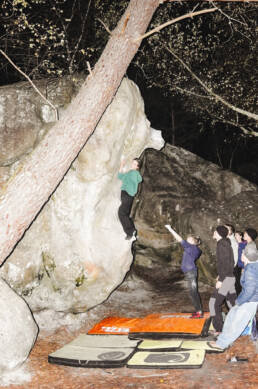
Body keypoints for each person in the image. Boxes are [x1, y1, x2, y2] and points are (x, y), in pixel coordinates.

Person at [208, 245, 258, 351]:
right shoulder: (252, 266)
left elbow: (250, 291)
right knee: (231, 316)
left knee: (236, 323)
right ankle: (222, 338)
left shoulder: (251, 271)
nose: (241, 254)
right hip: (246, 299)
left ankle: (222, 344)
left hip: (249, 301)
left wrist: (239, 301)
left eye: (243, 253)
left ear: (245, 256)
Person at [165, 225, 203, 318]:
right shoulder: (193, 249)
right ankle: (198, 311)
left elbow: (179, 239)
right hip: (190, 272)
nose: (186, 240)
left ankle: (199, 312)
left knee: (193, 292)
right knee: (193, 292)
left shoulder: (191, 247)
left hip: (191, 272)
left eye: (188, 239)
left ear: (193, 242)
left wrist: (170, 228)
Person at [209, 225, 236, 335]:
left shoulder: (222, 244)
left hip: (226, 280)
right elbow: (229, 263)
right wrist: (220, 276)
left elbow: (226, 263)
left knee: (213, 303)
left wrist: (221, 279)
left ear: (219, 233)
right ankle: (243, 322)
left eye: (215, 231)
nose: (213, 233)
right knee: (232, 303)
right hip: (229, 278)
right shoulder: (225, 242)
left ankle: (219, 329)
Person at [118, 158, 142, 240]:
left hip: (128, 195)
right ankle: (134, 231)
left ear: (137, 167)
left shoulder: (134, 173)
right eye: (132, 163)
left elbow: (136, 181)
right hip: (126, 195)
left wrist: (131, 193)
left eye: (135, 164)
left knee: (121, 212)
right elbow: (120, 176)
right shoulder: (130, 173)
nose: (132, 165)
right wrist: (122, 165)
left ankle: (130, 232)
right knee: (126, 215)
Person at [234, 231, 247, 295]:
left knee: (240, 282)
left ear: (241, 236)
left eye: (236, 235)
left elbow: (246, 257)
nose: (235, 236)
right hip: (236, 265)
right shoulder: (235, 244)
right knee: (236, 281)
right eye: (234, 235)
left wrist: (244, 267)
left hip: (241, 266)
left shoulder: (244, 244)